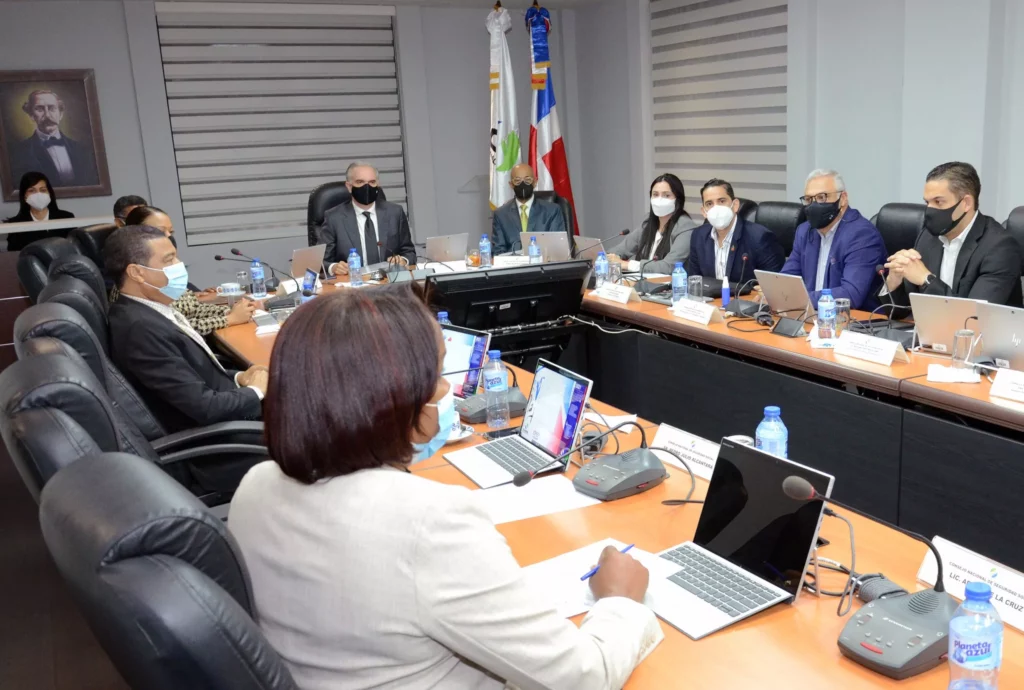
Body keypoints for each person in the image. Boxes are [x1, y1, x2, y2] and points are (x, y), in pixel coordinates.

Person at [228, 287, 662, 689]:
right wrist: (620, 600)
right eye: (437, 375)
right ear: (392, 398)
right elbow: (582, 677)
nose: (447, 391)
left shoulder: (253, 486)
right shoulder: (428, 523)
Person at [104, 226, 266, 433]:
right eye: (169, 260)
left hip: (228, 409)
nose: (179, 265)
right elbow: (206, 408)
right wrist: (256, 391)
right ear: (137, 273)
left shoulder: (148, 310)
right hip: (224, 433)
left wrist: (238, 377)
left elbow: (192, 376)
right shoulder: (140, 329)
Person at [883, 161, 1023, 310]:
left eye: (938, 202)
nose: (929, 211)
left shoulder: (1000, 248)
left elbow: (974, 315)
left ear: (966, 203)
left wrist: (927, 280)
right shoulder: (928, 237)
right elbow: (898, 313)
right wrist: (894, 281)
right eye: (927, 202)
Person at [123, 205, 256, 334]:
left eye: (170, 232)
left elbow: (193, 308)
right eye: (160, 232)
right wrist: (229, 319)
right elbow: (173, 327)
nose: (168, 237)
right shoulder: (140, 282)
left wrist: (230, 312)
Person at [781, 169, 887, 310]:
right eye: (808, 199)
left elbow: (850, 295)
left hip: (853, 319)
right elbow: (787, 279)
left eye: (822, 197)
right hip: (809, 315)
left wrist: (796, 299)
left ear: (842, 199)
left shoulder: (862, 235)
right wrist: (776, 293)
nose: (814, 205)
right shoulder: (805, 231)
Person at [321, 161, 415, 275]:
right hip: (354, 282)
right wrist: (334, 267)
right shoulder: (334, 218)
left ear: (378, 185)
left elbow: (409, 252)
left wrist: (403, 260)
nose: (367, 187)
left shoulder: (395, 212)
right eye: (360, 182)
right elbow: (321, 262)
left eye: (372, 182)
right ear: (349, 186)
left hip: (388, 280)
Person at [686, 178, 785, 284]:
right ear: (704, 212)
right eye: (709, 204)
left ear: (735, 205)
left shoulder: (760, 237)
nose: (716, 208)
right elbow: (693, 281)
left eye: (722, 201)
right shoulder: (698, 236)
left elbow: (775, 286)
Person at [606, 173, 698, 275]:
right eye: (655, 194)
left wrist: (627, 265)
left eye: (666, 195)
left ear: (678, 199)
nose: (659, 200)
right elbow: (622, 249)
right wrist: (610, 257)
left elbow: (669, 266)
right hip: (642, 282)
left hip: (670, 284)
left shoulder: (685, 227)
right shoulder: (648, 223)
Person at [9, 89, 99, 188]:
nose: (47, 115)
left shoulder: (82, 150)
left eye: (52, 108)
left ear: (61, 114)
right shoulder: (19, 153)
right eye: (40, 109)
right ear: (31, 115)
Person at [491, 162, 566, 254]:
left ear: (535, 182)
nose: (523, 184)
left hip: (542, 262)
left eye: (528, 180)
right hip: (513, 262)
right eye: (517, 181)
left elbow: (557, 249)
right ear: (511, 184)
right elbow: (498, 252)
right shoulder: (501, 214)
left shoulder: (552, 211)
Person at [3, 171, 76, 251]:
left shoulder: (66, 217)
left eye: (43, 190)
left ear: (49, 193)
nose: (38, 194)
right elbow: (14, 254)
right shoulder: (15, 224)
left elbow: (75, 248)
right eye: (32, 190)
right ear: (24, 196)